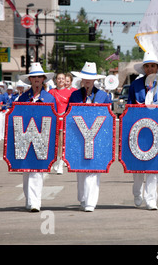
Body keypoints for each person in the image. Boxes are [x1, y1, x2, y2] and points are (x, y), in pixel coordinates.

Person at [128, 52, 158, 210]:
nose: (149, 69)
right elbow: (129, 107)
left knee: (154, 166)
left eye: (152, 66)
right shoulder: (135, 85)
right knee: (138, 164)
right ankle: (137, 192)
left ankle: (151, 198)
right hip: (138, 131)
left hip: (157, 131)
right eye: (147, 66)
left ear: (157, 68)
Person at [68, 62, 110, 212]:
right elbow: (68, 116)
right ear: (81, 80)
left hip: (97, 138)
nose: (87, 81)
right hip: (78, 137)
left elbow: (109, 117)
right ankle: (83, 198)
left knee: (93, 170)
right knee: (80, 170)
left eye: (90, 79)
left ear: (94, 80)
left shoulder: (103, 95)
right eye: (84, 78)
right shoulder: (74, 95)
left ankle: (91, 202)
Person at [17, 62, 57, 212]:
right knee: (27, 170)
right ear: (30, 80)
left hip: (43, 137)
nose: (37, 79)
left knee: (38, 170)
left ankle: (35, 202)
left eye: (40, 77)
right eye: (34, 77)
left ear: (43, 79)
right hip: (25, 137)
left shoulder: (49, 98)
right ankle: (29, 200)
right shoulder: (23, 98)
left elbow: (54, 118)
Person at [49, 73, 76, 175]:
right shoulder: (51, 92)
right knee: (53, 142)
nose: (61, 80)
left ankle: (60, 163)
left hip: (64, 119)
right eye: (59, 78)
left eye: (62, 78)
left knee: (61, 142)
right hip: (54, 119)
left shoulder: (70, 93)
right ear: (55, 80)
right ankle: (54, 161)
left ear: (65, 80)